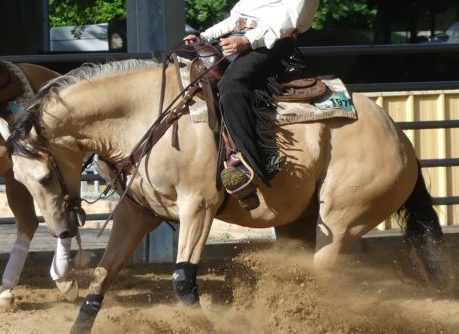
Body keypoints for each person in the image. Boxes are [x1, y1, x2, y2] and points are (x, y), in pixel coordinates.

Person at [184, 0, 320, 206]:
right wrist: (204, 37)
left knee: (232, 85)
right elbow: (237, 19)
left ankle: (250, 166)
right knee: (187, 68)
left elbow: (287, 20)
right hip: (241, 39)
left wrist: (247, 40)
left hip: (274, 43)